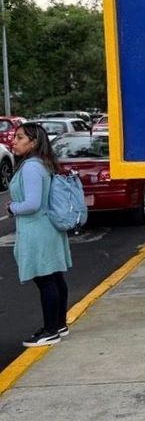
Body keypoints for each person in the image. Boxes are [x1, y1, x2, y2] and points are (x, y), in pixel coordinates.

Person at [7, 122, 72, 347]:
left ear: (33, 142)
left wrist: (12, 208)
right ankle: (59, 324)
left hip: (37, 230)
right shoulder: (42, 164)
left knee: (45, 280)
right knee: (54, 277)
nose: (13, 141)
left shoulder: (31, 167)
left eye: (19, 137)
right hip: (48, 228)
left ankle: (50, 330)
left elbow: (33, 203)